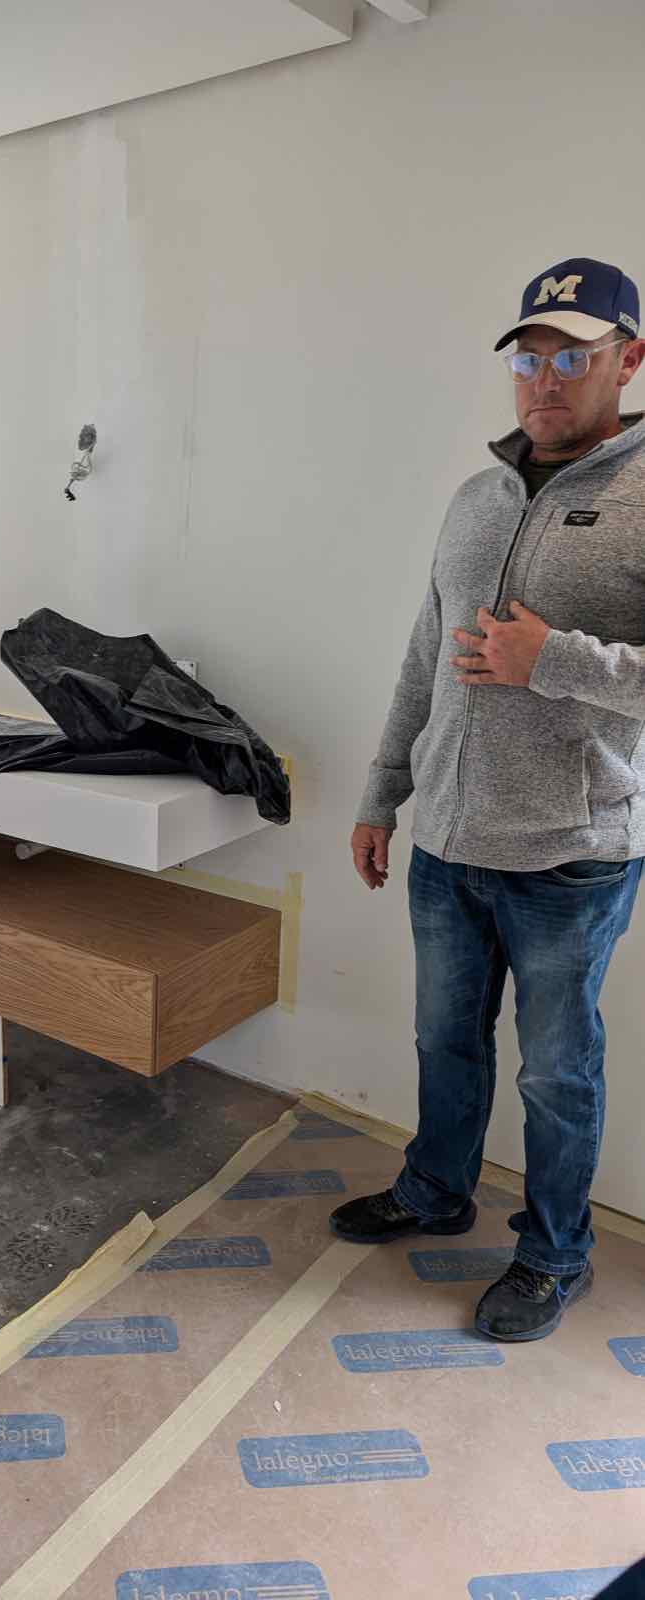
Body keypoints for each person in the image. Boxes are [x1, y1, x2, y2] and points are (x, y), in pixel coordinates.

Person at [334, 257, 645, 1342]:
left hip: (571, 853)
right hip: (449, 839)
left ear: (628, 360)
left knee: (558, 1072)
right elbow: (425, 656)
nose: (544, 379)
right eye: (529, 357)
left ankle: (555, 1254)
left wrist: (550, 659)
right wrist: (383, 792)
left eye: (573, 356)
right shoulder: (476, 497)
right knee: (442, 1038)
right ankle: (435, 1188)